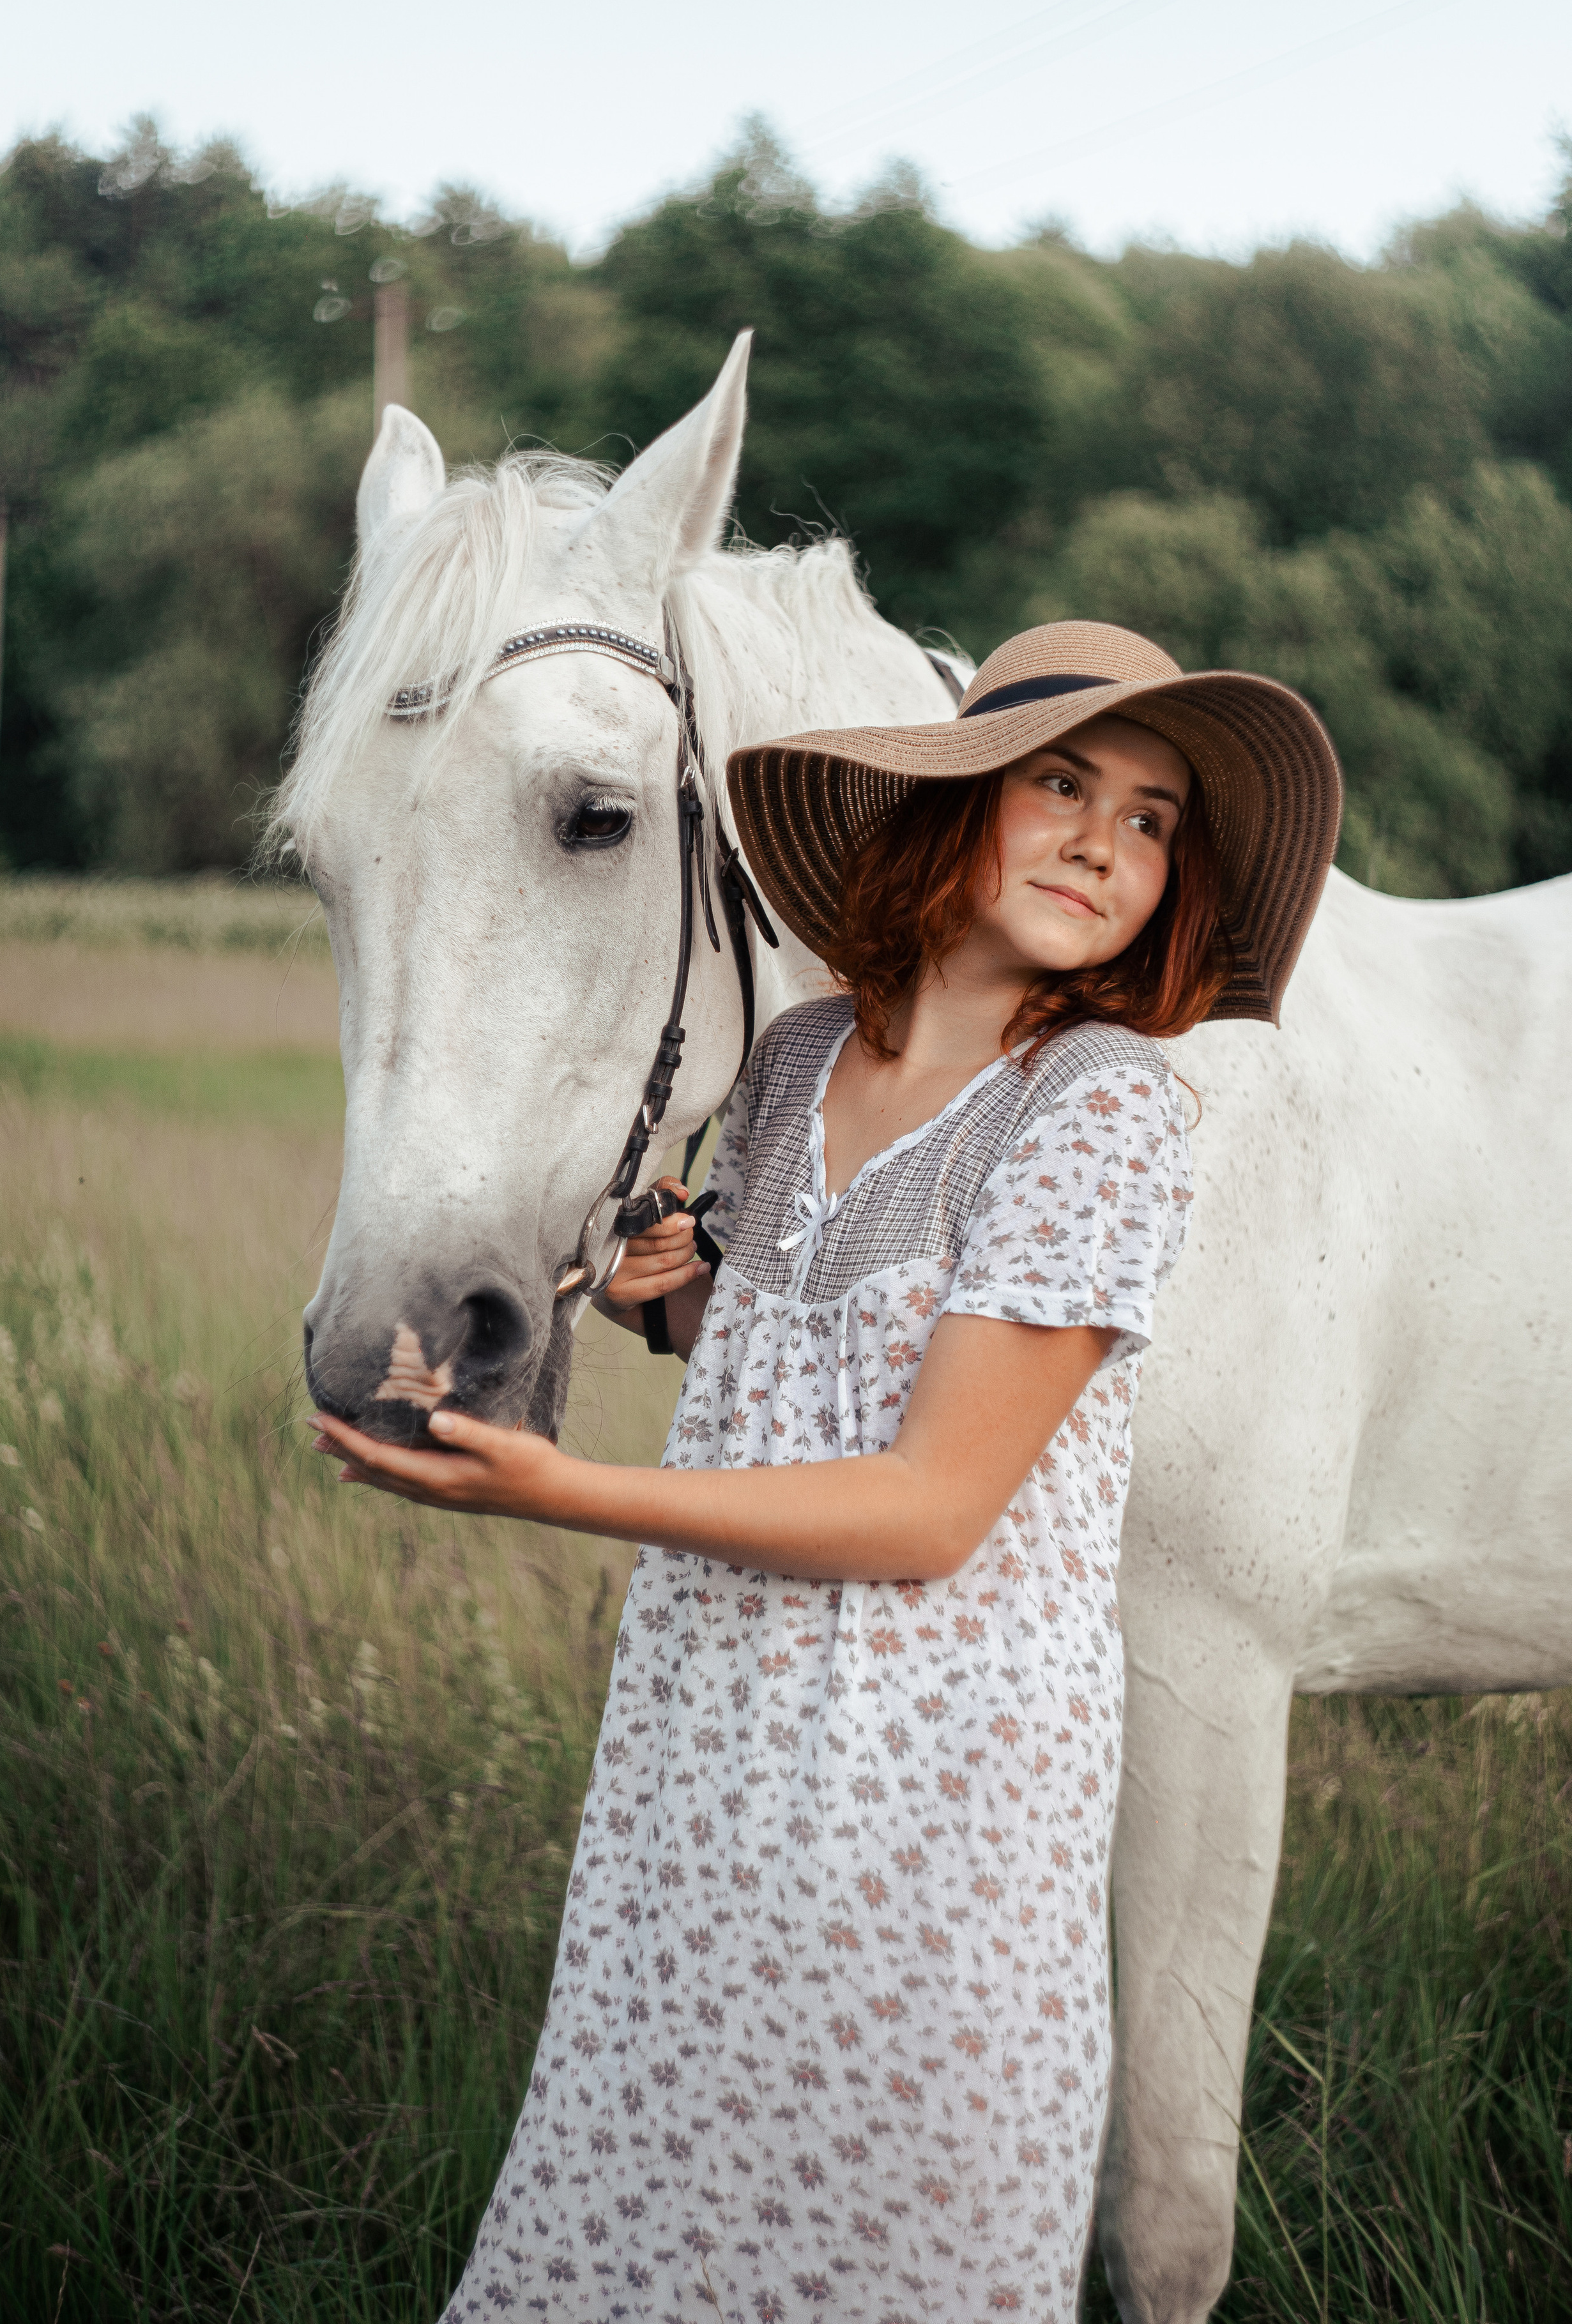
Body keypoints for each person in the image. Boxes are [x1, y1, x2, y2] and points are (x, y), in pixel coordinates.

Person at [312, 619, 1341, 2322]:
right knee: (655, 2215)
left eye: (1155, 819)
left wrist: (553, 1492)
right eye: (1063, 785)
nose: (1107, 840)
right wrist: (686, 1296)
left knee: (883, 2248)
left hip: (933, 1825)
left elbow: (932, 1504)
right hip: (705, 1770)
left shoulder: (1100, 1114)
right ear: (953, 808)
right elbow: (819, 1374)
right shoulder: (795, 1067)